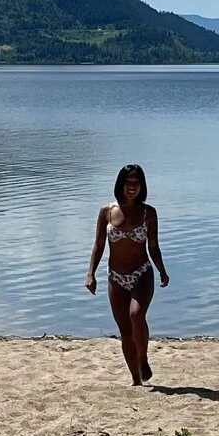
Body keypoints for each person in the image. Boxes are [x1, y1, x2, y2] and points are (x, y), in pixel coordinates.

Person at [85, 163, 168, 386]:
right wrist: (90, 273)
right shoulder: (107, 212)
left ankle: (143, 358)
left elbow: (154, 247)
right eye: (128, 183)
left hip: (142, 273)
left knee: (136, 315)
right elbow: (99, 245)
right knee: (124, 329)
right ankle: (135, 380)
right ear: (120, 185)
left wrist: (162, 270)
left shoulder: (148, 213)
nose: (132, 187)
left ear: (142, 186)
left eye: (136, 183)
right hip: (116, 277)